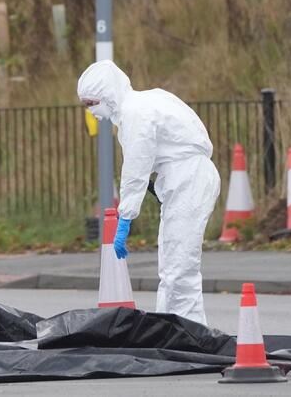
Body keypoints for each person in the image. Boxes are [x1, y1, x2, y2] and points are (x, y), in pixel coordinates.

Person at [77, 60, 220, 325]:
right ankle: (173, 328)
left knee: (179, 267)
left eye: (91, 103)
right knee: (171, 265)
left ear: (107, 94)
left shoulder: (135, 113)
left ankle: (188, 332)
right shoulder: (148, 100)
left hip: (188, 180)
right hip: (186, 178)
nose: (91, 111)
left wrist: (126, 217)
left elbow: (136, 166)